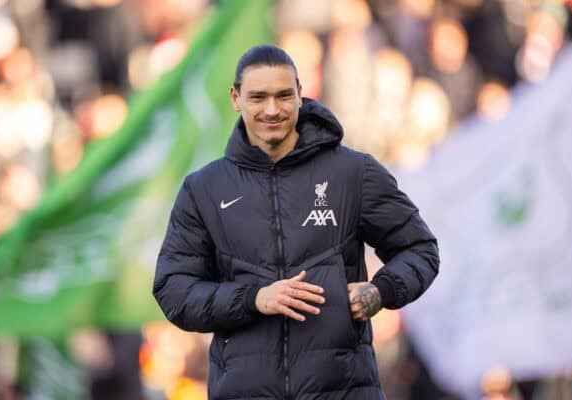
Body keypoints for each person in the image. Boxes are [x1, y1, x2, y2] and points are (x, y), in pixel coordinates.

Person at [153, 45, 439, 400]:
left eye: (283, 96)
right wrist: (253, 299)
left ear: (301, 95)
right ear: (235, 98)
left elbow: (420, 249)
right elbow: (174, 290)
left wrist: (382, 291)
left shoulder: (353, 172)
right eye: (258, 97)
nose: (272, 110)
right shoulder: (204, 188)